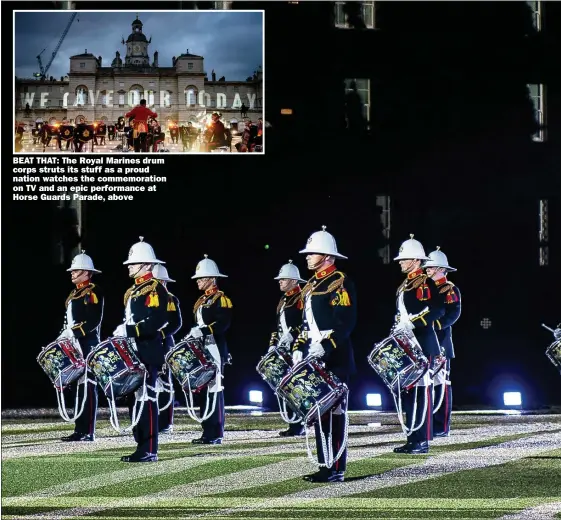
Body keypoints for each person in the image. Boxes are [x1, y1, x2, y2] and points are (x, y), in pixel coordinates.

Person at [294, 226, 356, 483]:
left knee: (335, 415)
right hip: (314, 355)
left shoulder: (340, 281)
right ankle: (324, 465)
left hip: (335, 357)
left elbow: (346, 322)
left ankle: (336, 467)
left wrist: (326, 345)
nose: (307, 257)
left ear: (328, 257)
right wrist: (299, 347)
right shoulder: (311, 285)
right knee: (319, 414)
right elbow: (306, 324)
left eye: (313, 253)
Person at [113, 237, 169, 463]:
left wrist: (130, 329)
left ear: (147, 265)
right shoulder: (134, 290)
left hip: (147, 351)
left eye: (134, 263)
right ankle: (141, 445)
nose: (129, 266)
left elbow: (157, 320)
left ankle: (149, 449)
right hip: (135, 350)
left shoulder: (155, 289)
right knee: (135, 399)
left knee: (147, 399)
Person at [392, 235, 445, 455]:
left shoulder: (426, 283)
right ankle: (412, 437)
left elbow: (437, 310)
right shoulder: (405, 285)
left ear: (415, 260)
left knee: (420, 392)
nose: (400, 262)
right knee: (408, 393)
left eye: (404, 259)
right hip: (408, 344)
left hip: (422, 344)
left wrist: (413, 323)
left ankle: (421, 440)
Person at [60, 251, 104, 442]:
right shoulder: (75, 293)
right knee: (78, 387)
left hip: (87, 343)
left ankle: (88, 431)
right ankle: (80, 429)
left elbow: (93, 320)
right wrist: (65, 335)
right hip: (75, 343)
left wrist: (75, 333)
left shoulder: (93, 292)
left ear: (87, 272)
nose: (72, 272)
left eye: (76, 270)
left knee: (88, 386)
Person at [189, 255, 233, 445]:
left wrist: (204, 330)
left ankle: (216, 432)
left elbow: (223, 323)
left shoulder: (221, 299)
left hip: (214, 346)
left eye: (201, 278)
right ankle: (207, 430)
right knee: (204, 389)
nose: (198, 281)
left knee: (215, 388)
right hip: (203, 346)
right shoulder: (201, 300)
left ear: (212, 279)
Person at [424, 247, 462, 438]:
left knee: (441, 382)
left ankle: (441, 425)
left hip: (440, 341)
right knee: (426, 383)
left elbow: (453, 314)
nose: (427, 270)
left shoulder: (449, 289)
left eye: (430, 268)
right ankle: (428, 423)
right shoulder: (426, 288)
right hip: (425, 341)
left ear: (440, 269)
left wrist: (433, 325)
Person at [269, 260, 306, 437]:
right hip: (284, 347)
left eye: (283, 279)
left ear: (293, 281)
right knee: (287, 386)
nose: (280, 282)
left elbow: (305, 323)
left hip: (298, 346)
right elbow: (277, 326)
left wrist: (294, 336)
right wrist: (272, 344)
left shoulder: (301, 298)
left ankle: (300, 423)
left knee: (297, 385)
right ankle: (293, 423)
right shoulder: (284, 300)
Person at [152, 263, 182, 434]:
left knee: (164, 383)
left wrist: (160, 333)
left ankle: (165, 422)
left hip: (163, 343)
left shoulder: (170, 299)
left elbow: (176, 323)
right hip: (149, 342)